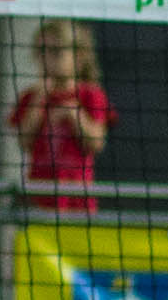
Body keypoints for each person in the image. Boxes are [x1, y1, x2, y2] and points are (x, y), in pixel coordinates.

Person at [6, 20, 109, 202]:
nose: (47, 60)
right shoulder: (31, 96)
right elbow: (24, 141)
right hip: (39, 196)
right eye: (41, 52)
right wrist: (38, 100)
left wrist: (73, 113)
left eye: (55, 52)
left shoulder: (91, 95)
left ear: (78, 56)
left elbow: (96, 143)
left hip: (77, 199)